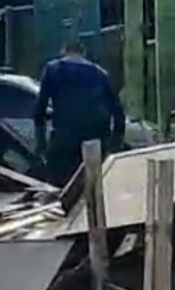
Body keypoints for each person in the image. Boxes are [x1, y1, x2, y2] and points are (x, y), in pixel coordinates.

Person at [34, 43, 125, 186]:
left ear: (64, 52)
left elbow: (40, 109)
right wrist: (114, 144)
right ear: (84, 53)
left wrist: (40, 143)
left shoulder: (53, 70)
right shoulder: (100, 73)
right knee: (92, 186)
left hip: (64, 140)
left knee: (59, 187)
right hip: (94, 140)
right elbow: (118, 112)